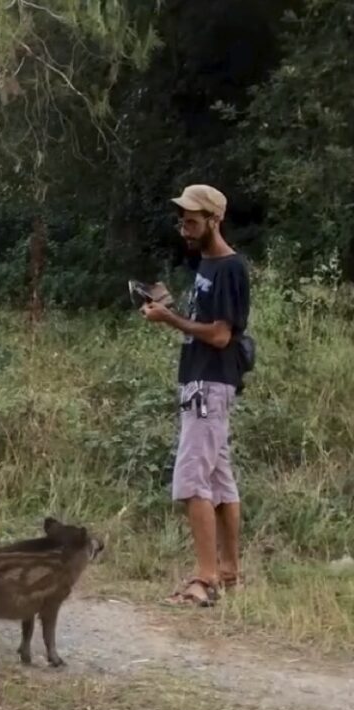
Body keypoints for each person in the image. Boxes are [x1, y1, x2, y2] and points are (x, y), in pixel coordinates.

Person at [140, 184, 251, 607]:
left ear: (214, 220)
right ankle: (228, 573)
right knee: (220, 481)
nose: (184, 227)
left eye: (192, 220)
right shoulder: (205, 264)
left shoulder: (229, 268)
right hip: (202, 381)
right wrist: (168, 308)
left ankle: (204, 580)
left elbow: (221, 335)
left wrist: (169, 318)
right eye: (182, 219)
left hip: (209, 382)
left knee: (191, 481)